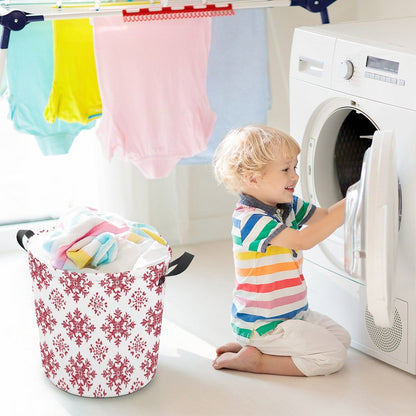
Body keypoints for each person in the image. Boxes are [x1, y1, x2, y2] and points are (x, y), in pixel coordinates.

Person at [212, 125, 350, 377]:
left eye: (294, 167)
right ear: (252, 178)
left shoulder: (286, 205)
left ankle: (254, 348)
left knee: (343, 339)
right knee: (332, 356)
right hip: (264, 324)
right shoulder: (250, 219)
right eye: (286, 169)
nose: (295, 176)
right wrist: (353, 201)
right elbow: (302, 240)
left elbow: (325, 216)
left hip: (294, 314)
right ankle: (256, 360)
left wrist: (357, 195)